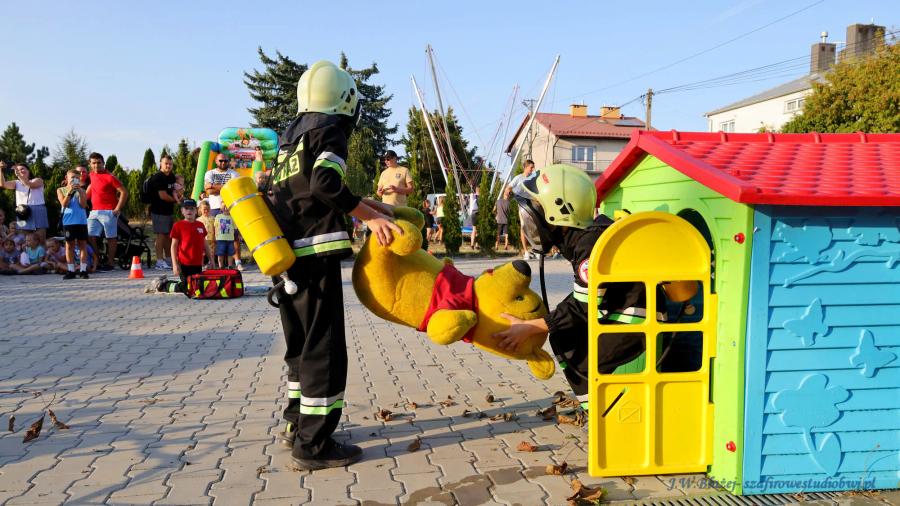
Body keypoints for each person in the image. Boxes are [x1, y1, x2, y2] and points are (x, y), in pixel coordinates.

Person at [266, 60, 401, 470]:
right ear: (346, 101)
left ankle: (295, 424)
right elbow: (325, 184)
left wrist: (367, 205)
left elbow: (309, 188)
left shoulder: (291, 140)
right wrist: (371, 218)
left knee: (300, 346)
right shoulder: (330, 131)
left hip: (285, 258)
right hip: (315, 256)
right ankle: (314, 444)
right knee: (323, 349)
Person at [493, 164, 664, 411]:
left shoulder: (589, 245)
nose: (532, 221)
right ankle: (600, 408)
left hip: (637, 319)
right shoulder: (584, 237)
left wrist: (530, 327)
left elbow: (582, 307)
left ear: (560, 211)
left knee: (575, 350)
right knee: (563, 333)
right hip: (625, 310)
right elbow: (581, 301)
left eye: (538, 210)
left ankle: (604, 414)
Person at [151, 199, 214, 294]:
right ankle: (162, 285)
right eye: (186, 208)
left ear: (196, 211)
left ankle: (168, 282)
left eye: (192, 208)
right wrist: (174, 264)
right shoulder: (178, 225)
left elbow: (205, 244)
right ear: (182, 211)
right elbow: (173, 246)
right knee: (188, 288)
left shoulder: (200, 225)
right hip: (184, 264)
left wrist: (211, 260)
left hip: (197, 264)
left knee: (197, 286)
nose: (189, 211)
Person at [85, 152, 128, 271]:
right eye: (94, 163)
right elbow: (88, 188)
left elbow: (124, 192)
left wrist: (118, 208)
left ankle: (110, 263)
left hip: (109, 211)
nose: (96, 165)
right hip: (94, 211)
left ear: (103, 163)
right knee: (90, 236)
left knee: (110, 238)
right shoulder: (91, 175)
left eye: (99, 163)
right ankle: (97, 260)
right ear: (90, 164)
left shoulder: (110, 177)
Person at [204, 153, 243, 270]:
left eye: (225, 161)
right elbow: (208, 191)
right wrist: (226, 187)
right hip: (215, 208)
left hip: (231, 208)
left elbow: (234, 190)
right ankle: (213, 262)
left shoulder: (234, 174)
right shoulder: (210, 173)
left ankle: (237, 262)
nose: (223, 163)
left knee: (234, 236)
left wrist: (213, 186)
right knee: (214, 236)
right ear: (216, 161)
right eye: (221, 161)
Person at [1, 163, 48, 242]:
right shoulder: (16, 183)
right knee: (24, 238)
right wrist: (1, 170)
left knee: (40, 238)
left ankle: (41, 250)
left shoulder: (38, 180)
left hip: (38, 210)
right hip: (22, 211)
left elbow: (30, 185)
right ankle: (25, 250)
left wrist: (19, 175)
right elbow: (3, 184)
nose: (20, 171)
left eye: (22, 169)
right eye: (17, 170)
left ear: (28, 170)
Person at [57, 169, 90, 279]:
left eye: (77, 178)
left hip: (81, 222)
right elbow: (64, 204)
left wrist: (80, 192)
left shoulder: (82, 190)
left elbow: (83, 205)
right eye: (72, 178)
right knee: (69, 245)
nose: (74, 180)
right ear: (67, 178)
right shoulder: (61, 190)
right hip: (68, 222)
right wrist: (70, 191)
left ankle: (83, 270)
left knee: (82, 245)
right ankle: (71, 270)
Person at [148, 154, 179, 270]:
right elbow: (163, 195)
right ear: (160, 164)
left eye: (170, 164)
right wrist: (176, 201)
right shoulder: (158, 177)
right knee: (160, 235)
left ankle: (168, 259)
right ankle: (159, 261)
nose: (168, 166)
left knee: (168, 235)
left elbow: (174, 191)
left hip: (168, 211)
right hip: (158, 211)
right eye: (166, 163)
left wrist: (179, 196)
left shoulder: (171, 176)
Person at [509, 159, 536, 259]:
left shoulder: (533, 178)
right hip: (522, 205)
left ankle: (535, 249)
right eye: (531, 167)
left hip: (533, 205)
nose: (532, 169)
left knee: (534, 227)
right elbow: (509, 187)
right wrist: (507, 192)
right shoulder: (518, 178)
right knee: (523, 226)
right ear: (525, 167)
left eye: (533, 168)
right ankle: (526, 252)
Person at [214, 204, 236, 269]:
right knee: (220, 253)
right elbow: (215, 226)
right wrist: (215, 235)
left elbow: (235, 228)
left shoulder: (232, 217)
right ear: (221, 208)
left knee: (230, 253)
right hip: (220, 238)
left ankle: (230, 266)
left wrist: (233, 235)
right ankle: (221, 266)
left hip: (230, 239)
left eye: (227, 206)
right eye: (224, 206)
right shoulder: (218, 216)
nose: (226, 208)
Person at [197, 200, 216, 265]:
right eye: (204, 209)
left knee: (211, 253)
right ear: (200, 209)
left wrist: (215, 237)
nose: (206, 211)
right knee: (201, 253)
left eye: (207, 209)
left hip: (211, 239)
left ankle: (212, 264)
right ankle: (201, 265)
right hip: (201, 239)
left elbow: (215, 228)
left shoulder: (213, 218)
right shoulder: (198, 220)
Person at [494, 186, 511, 251]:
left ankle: (496, 246)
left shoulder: (498, 201)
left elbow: (494, 210)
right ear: (508, 195)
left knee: (498, 234)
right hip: (506, 220)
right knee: (506, 234)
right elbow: (509, 212)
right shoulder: (508, 203)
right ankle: (506, 246)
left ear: (503, 194)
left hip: (499, 220)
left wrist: (496, 215)